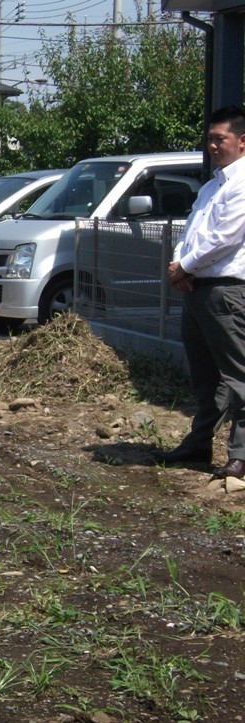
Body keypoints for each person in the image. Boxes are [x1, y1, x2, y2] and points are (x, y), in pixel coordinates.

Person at [152, 106, 245, 479]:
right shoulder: (211, 186)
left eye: (219, 139)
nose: (211, 145)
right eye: (209, 139)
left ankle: (240, 455)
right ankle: (199, 441)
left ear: (242, 141)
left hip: (226, 291)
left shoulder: (241, 185)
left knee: (238, 375)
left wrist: (185, 266)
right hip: (197, 289)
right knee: (205, 376)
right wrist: (179, 267)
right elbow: (191, 232)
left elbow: (223, 238)